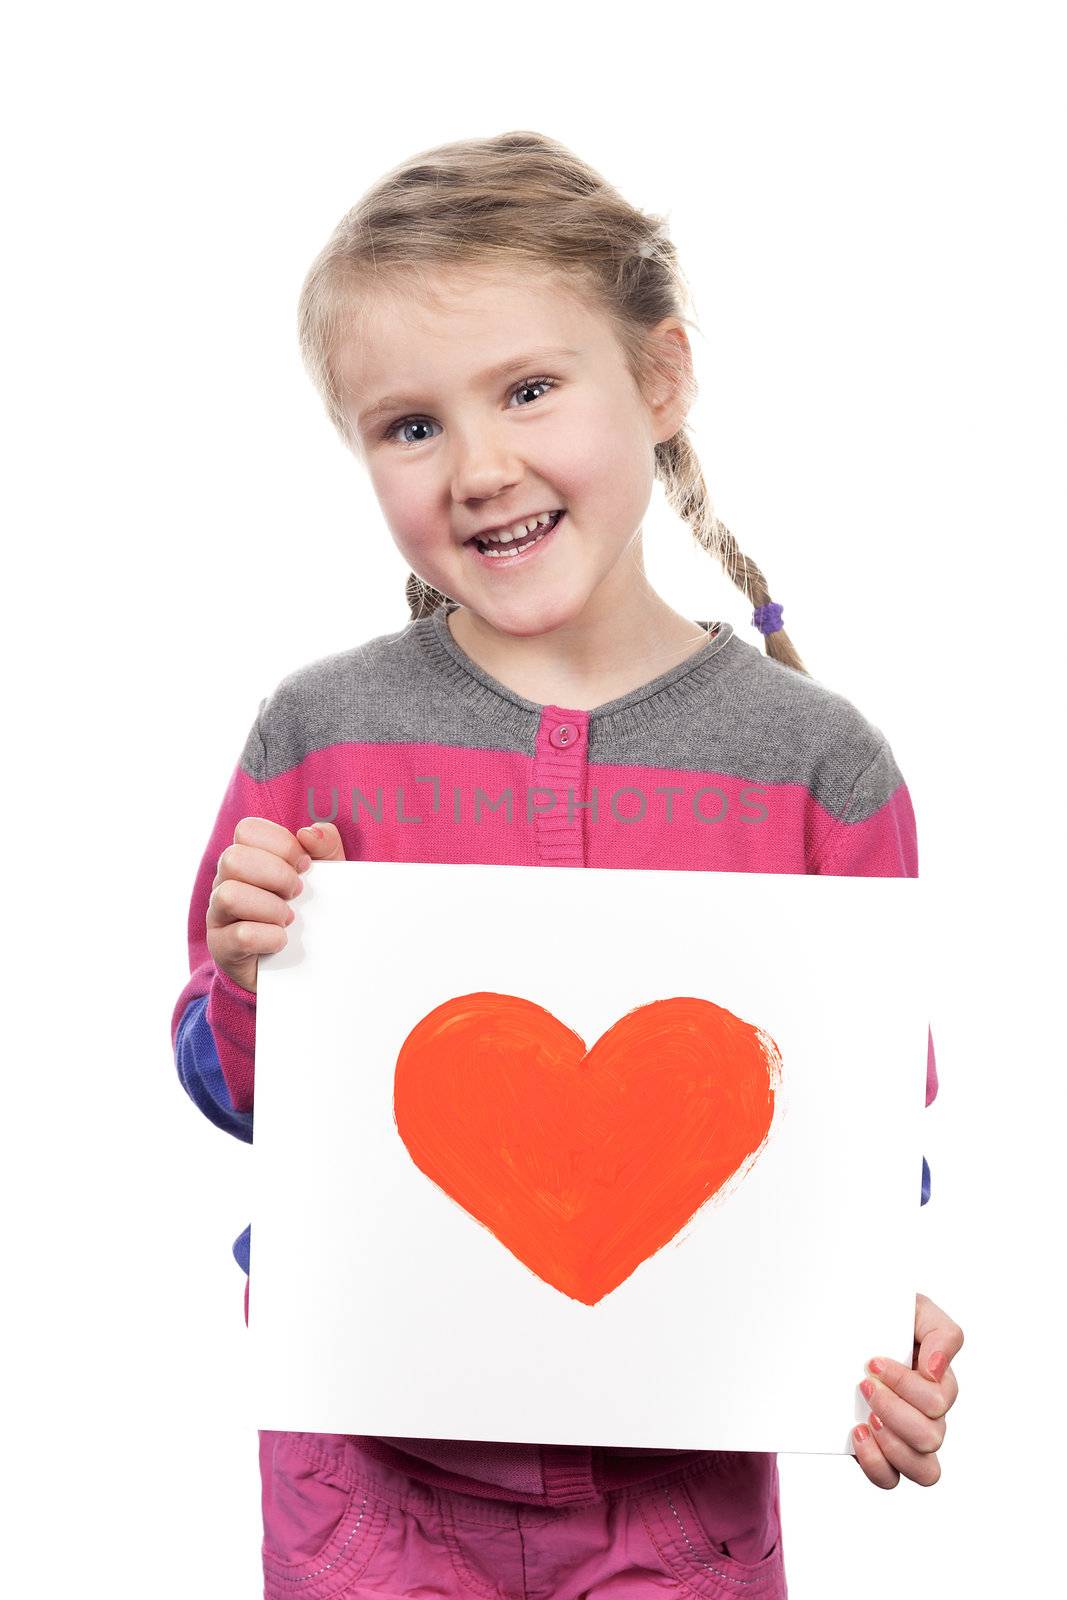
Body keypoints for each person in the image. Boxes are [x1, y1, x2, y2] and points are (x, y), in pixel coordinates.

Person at [171, 130, 964, 1600]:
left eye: (529, 390)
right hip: (369, 1490)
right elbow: (238, 1093)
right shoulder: (320, 732)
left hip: (680, 1502)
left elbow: (858, 1143)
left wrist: (876, 1330)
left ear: (657, 381)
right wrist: (245, 967)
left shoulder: (818, 767)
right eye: (407, 427)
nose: (479, 469)